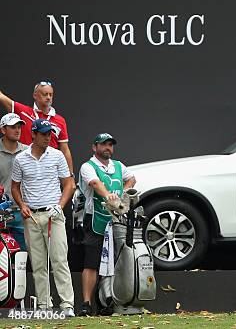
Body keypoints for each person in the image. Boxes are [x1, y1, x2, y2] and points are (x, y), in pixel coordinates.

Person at [11, 119, 76, 316]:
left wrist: (60, 206)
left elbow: (69, 184)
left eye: (50, 134)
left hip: (53, 215)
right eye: (44, 133)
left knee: (59, 260)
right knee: (38, 264)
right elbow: (15, 186)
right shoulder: (20, 159)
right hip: (31, 216)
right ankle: (43, 305)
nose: (48, 137)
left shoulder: (57, 156)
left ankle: (67, 305)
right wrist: (22, 205)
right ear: (34, 134)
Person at [78, 133, 136, 316]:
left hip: (116, 222)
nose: (107, 148)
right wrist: (109, 196)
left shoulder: (118, 166)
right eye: (103, 144)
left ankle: (108, 302)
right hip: (95, 220)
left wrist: (122, 192)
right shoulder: (88, 166)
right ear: (94, 147)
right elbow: (95, 183)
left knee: (114, 263)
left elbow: (132, 178)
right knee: (92, 263)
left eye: (110, 144)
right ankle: (86, 303)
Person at [0, 82, 74, 173]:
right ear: (35, 95)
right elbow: (2, 97)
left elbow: (65, 149)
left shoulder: (60, 120)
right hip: (26, 166)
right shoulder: (23, 111)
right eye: (45, 94)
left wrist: (71, 175)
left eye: (51, 95)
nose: (48, 97)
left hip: (50, 168)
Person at [0, 113, 28, 250]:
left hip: (22, 211)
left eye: (19, 127)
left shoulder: (28, 152)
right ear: (3, 130)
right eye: (13, 127)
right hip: (0, 212)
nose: (18, 130)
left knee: (21, 258)